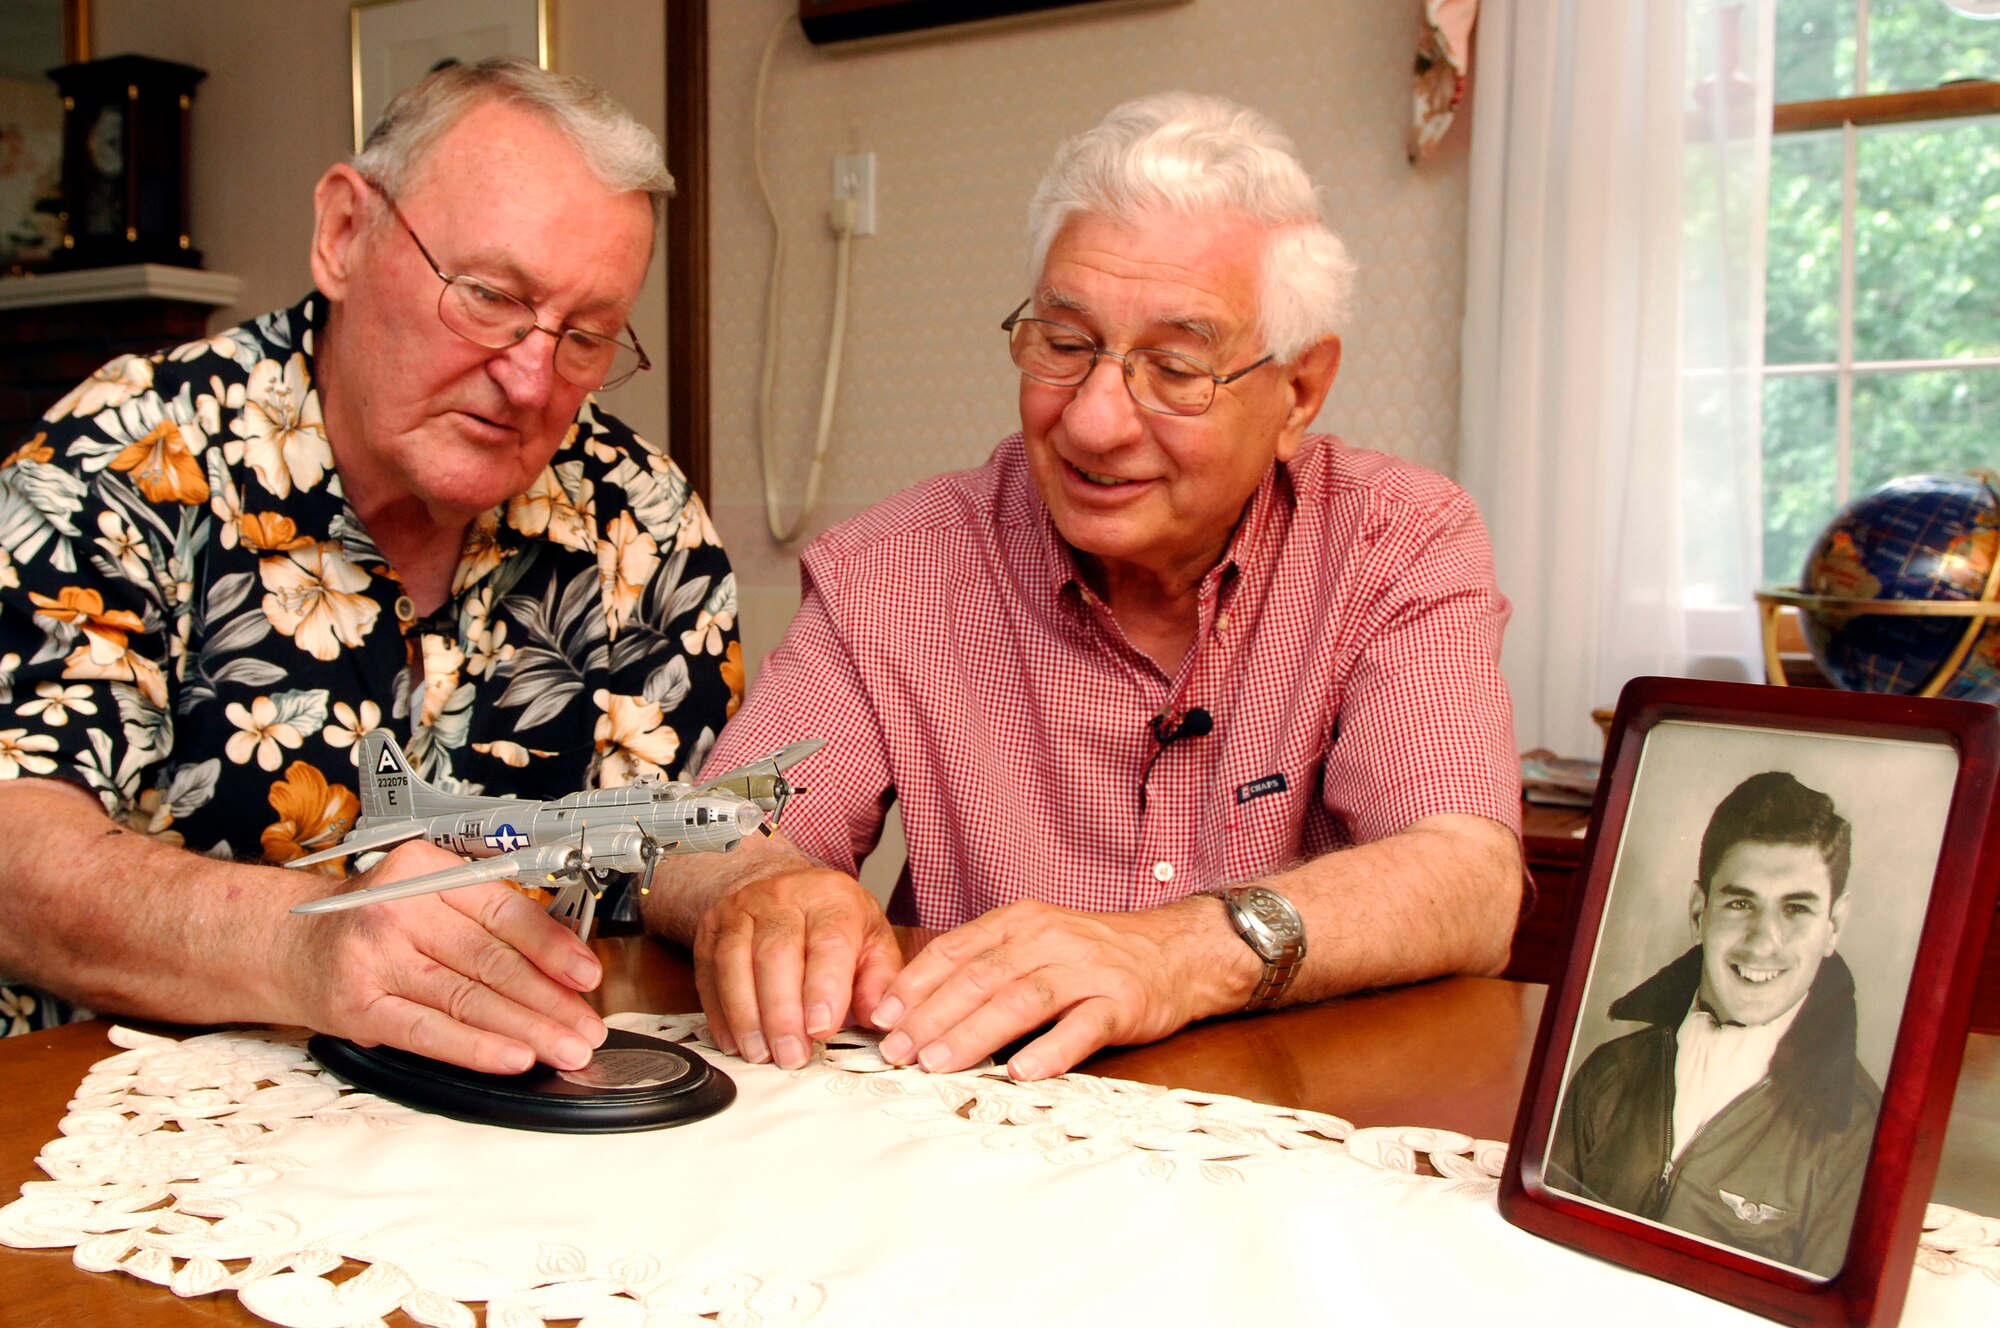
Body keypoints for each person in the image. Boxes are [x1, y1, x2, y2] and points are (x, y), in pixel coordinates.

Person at [643, 92, 1523, 1083]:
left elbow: (1467, 875)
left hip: (1287, 1137)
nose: (1094, 422)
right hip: (994, 1136)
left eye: (1174, 366)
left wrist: (1174, 952)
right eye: (1063, 346)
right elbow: (698, 840)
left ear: (1300, 391)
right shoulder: (894, 567)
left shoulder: (1396, 540)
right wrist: (758, 883)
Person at [0, 59, 741, 1075]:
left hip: (508, 1129)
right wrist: (301, 941)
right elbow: (15, 847)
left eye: (586, 335)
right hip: (121, 1128)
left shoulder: (639, 516)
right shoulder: (124, 456)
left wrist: (758, 887)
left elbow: (669, 840)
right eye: (487, 295)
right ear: (343, 234)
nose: (531, 378)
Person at [1547, 771, 1880, 1279]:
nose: (1762, 941)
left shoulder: (1855, 1127)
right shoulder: (1608, 1072)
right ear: (1699, 910)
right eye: (1740, 902)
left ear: (1833, 926)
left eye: (1796, 908)